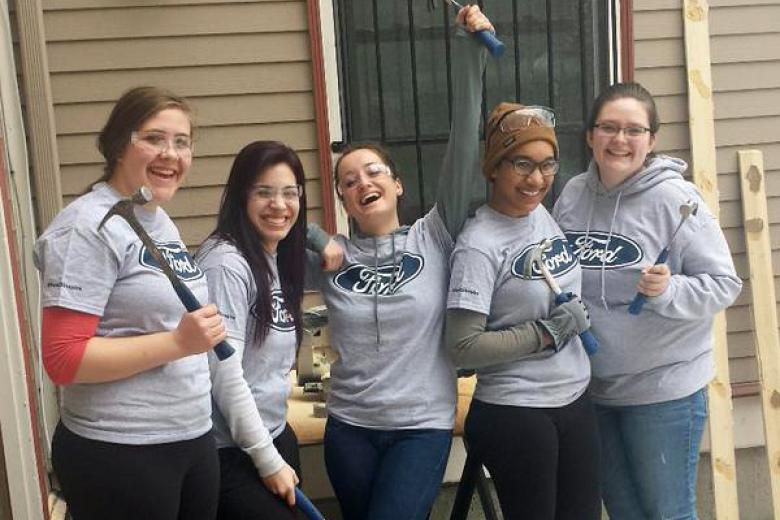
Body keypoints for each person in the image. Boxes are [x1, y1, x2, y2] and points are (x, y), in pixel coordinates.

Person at [302, 6, 492, 519]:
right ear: (343, 199)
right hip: (349, 430)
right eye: (349, 180)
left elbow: (463, 142)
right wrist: (317, 234)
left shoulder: (435, 234)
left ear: (397, 183)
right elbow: (265, 226)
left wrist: (470, 52)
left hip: (421, 427)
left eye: (373, 172)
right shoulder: (332, 256)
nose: (364, 182)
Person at [33, 86, 226, 520]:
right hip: (121, 451)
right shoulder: (87, 226)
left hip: (191, 439)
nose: (170, 154)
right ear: (120, 144)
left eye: (181, 142)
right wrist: (177, 342)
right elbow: (64, 359)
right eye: (154, 138)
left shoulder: (156, 218)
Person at [552, 82, 742, 520]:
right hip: (593, 387)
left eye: (634, 130)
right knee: (622, 511)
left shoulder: (678, 201)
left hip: (663, 390)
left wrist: (669, 290)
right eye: (609, 128)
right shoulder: (573, 195)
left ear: (652, 140)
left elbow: (723, 284)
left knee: (667, 513)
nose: (620, 140)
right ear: (590, 135)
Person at [445, 98, 602, 519]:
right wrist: (547, 333)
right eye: (522, 164)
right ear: (494, 166)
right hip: (517, 411)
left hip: (574, 398)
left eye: (548, 164)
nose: (537, 179)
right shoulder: (479, 245)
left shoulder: (542, 218)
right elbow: (463, 347)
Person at [195, 141, 313, 519]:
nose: (279, 205)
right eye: (264, 192)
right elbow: (223, 373)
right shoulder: (226, 263)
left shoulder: (272, 254)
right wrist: (266, 459)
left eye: (289, 193)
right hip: (230, 452)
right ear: (240, 196)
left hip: (274, 434)